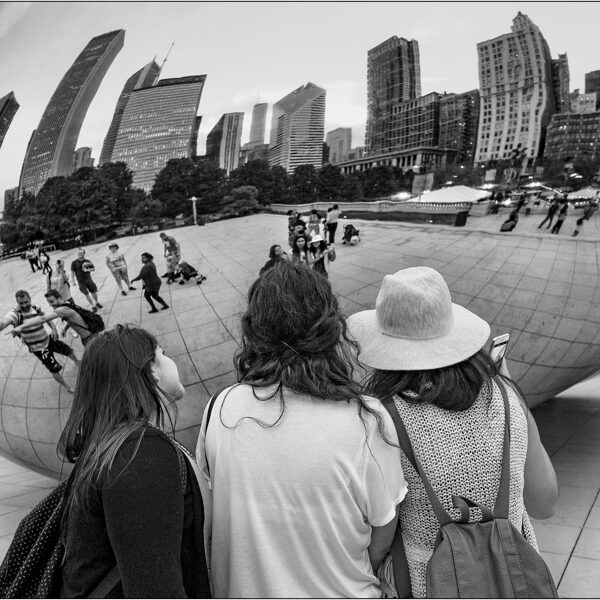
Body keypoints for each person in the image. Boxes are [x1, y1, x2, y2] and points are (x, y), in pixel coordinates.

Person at [196, 262, 407, 598]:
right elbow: (382, 536)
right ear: (329, 328)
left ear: (255, 330)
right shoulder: (367, 419)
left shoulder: (219, 408)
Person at [347, 267, 558, 598]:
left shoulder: (381, 418)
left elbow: (377, 528)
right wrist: (512, 393)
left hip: (425, 585)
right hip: (513, 583)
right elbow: (545, 503)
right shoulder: (507, 397)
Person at [58, 324, 210, 598]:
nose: (170, 360)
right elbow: (155, 591)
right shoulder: (140, 454)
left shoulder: (113, 446)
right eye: (163, 353)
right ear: (151, 371)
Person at [0, 290, 80, 392]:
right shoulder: (16, 314)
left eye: (26, 302)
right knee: (54, 369)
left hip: (48, 339)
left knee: (68, 350)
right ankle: (66, 387)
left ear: (30, 299)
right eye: (21, 303)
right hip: (39, 349)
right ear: (17, 303)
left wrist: (54, 329)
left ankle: (77, 362)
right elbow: (3, 323)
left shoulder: (35, 308)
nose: (24, 305)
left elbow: (46, 318)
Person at [12, 289, 95, 347]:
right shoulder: (67, 303)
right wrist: (65, 329)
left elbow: (43, 319)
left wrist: (21, 327)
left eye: (51, 301)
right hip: (89, 334)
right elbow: (72, 319)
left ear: (59, 298)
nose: (50, 305)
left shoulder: (61, 309)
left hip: (89, 339)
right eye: (48, 302)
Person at [70, 248, 102, 312]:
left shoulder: (87, 261)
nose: (80, 254)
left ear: (84, 254)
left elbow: (93, 269)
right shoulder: (74, 263)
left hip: (89, 279)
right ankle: (93, 305)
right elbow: (72, 272)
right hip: (81, 281)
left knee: (93, 292)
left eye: (81, 253)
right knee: (86, 293)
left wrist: (86, 269)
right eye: (79, 253)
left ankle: (97, 302)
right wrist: (73, 281)